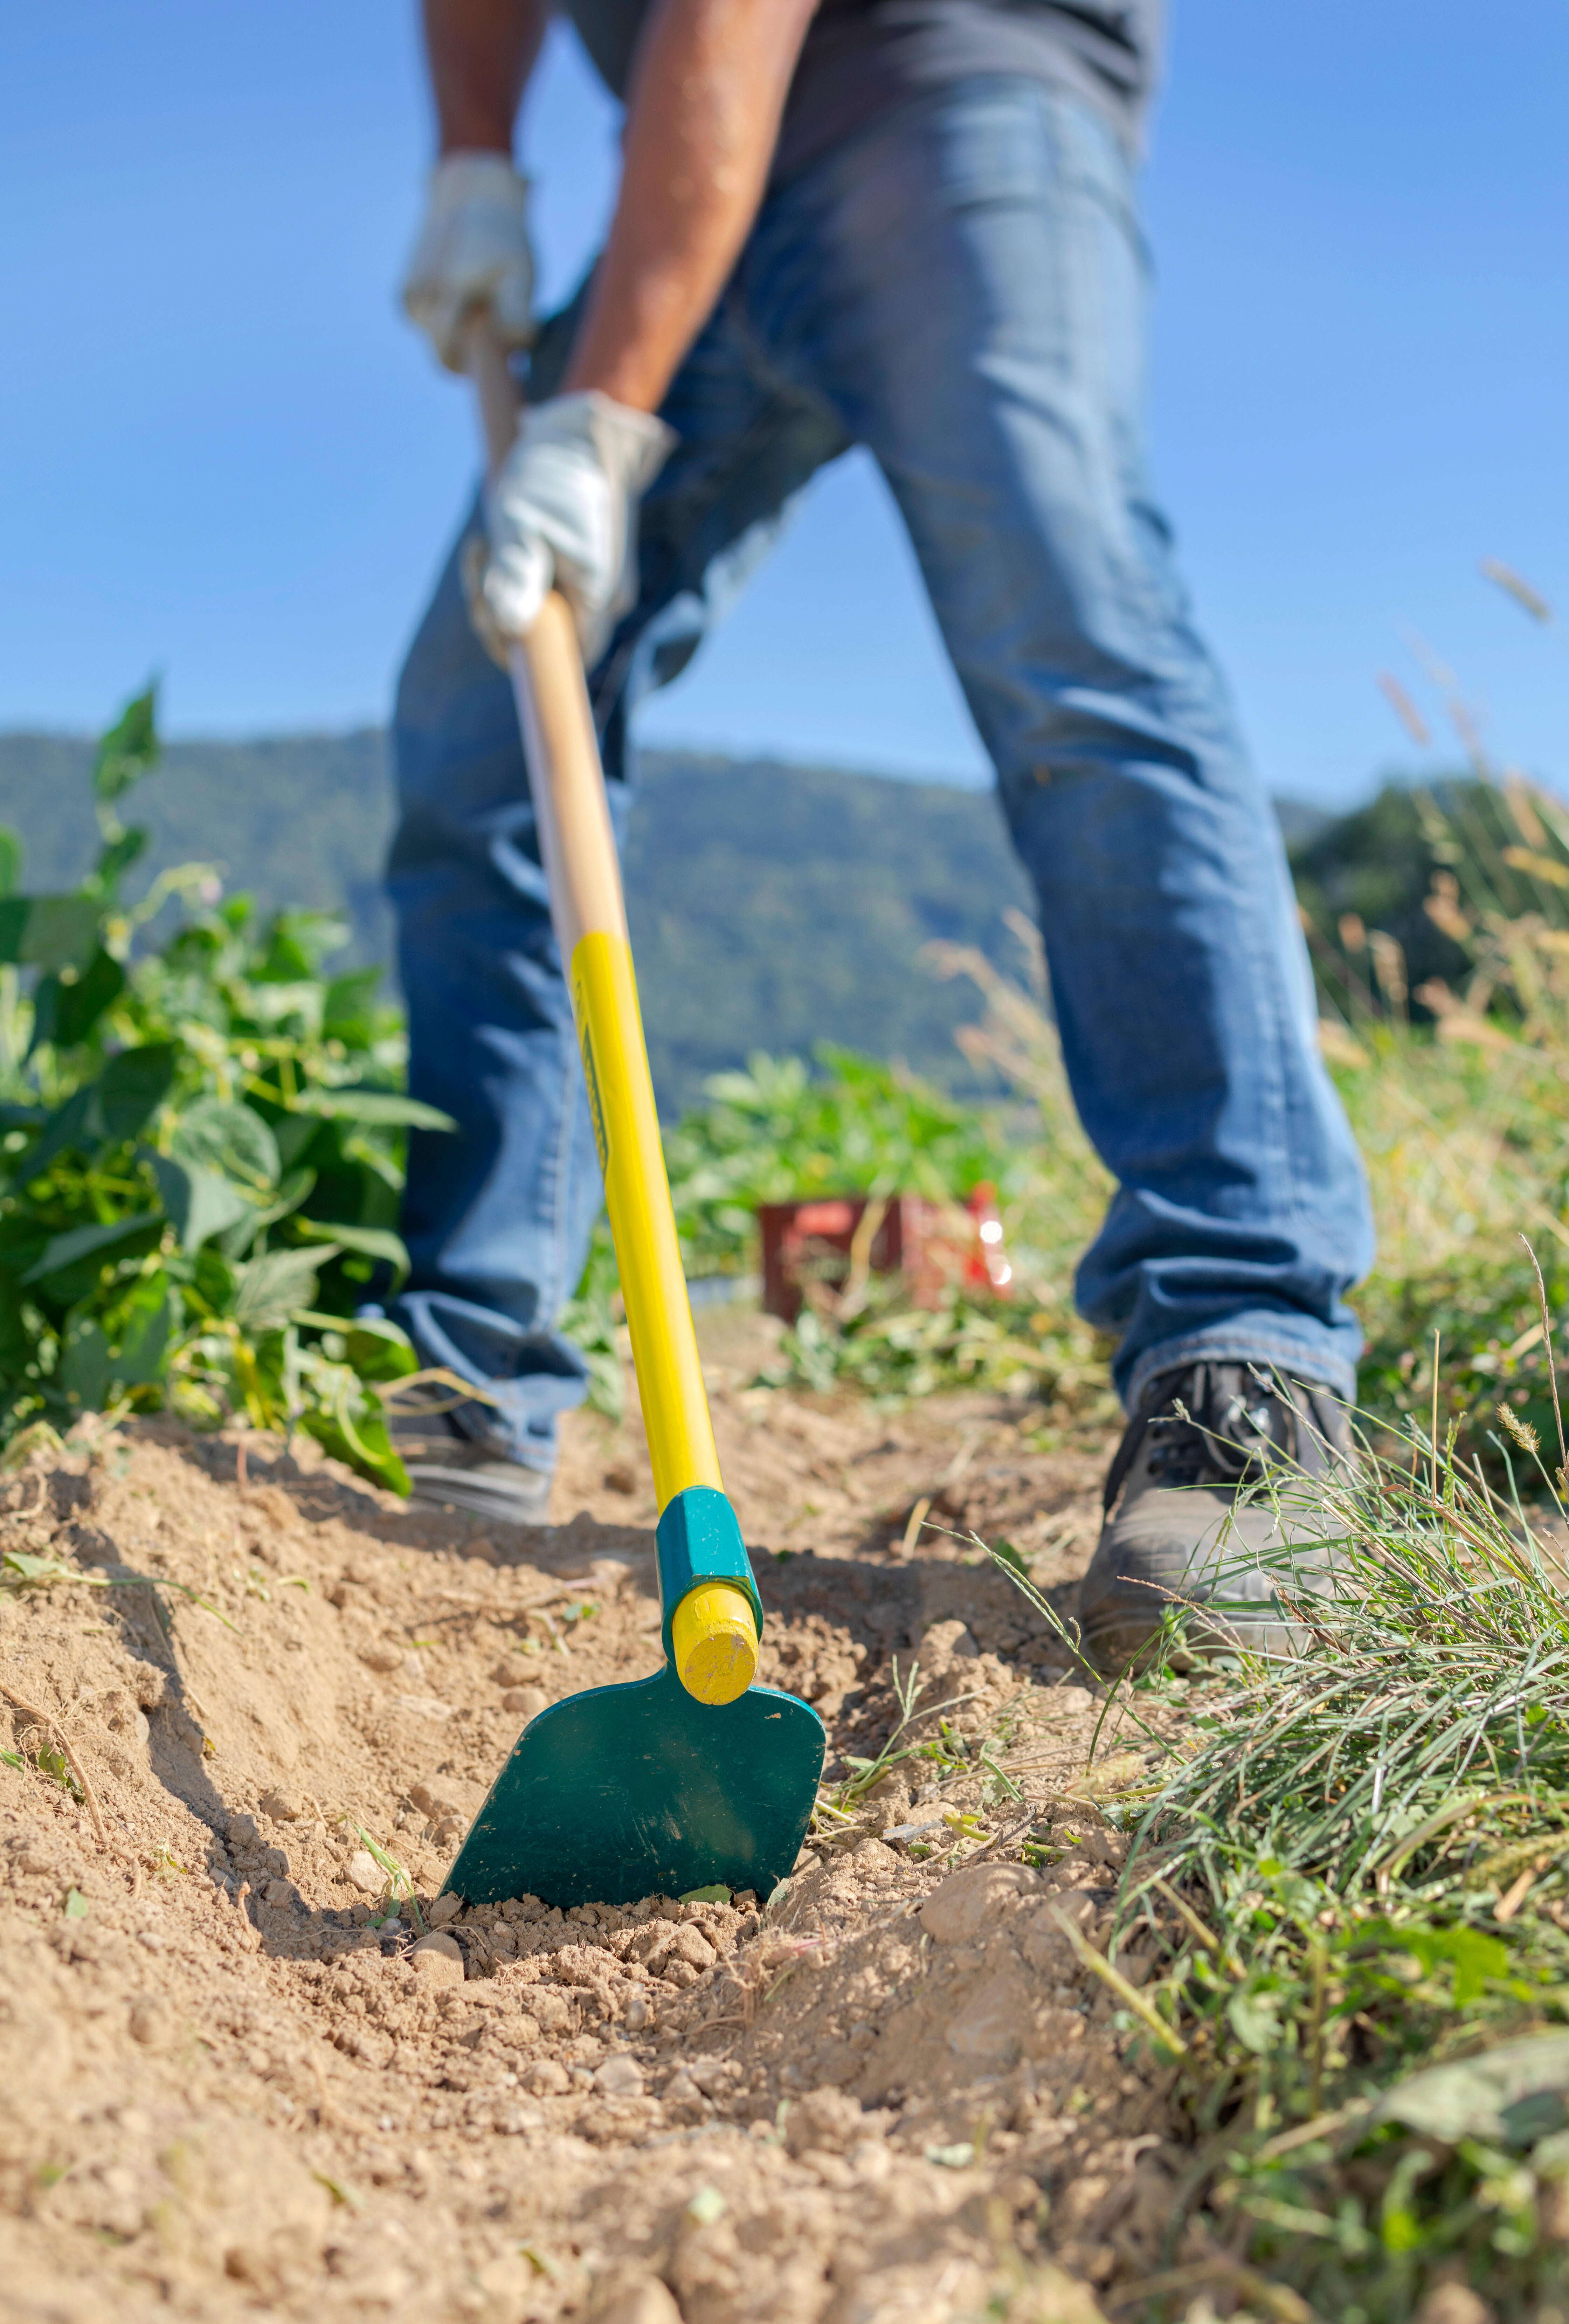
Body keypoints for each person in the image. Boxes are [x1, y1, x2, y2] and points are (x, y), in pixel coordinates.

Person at [387, 0, 1374, 1672]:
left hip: (950, 81)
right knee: (487, 714)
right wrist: (477, 150)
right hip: (687, 161)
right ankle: (469, 1367)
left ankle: (1244, 1365)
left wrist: (604, 408)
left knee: (1074, 636)